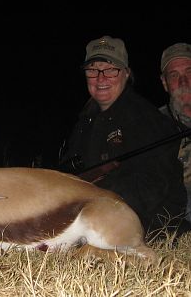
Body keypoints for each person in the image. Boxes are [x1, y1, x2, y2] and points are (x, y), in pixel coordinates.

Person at [59, 35, 191, 240]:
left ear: (126, 74)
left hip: (146, 226)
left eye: (111, 70)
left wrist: (92, 205)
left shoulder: (147, 119)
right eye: (93, 70)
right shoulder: (85, 121)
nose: (101, 78)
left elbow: (151, 188)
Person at [159, 42, 191, 223]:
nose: (183, 82)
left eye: (189, 72)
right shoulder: (152, 125)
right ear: (164, 83)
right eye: (174, 75)